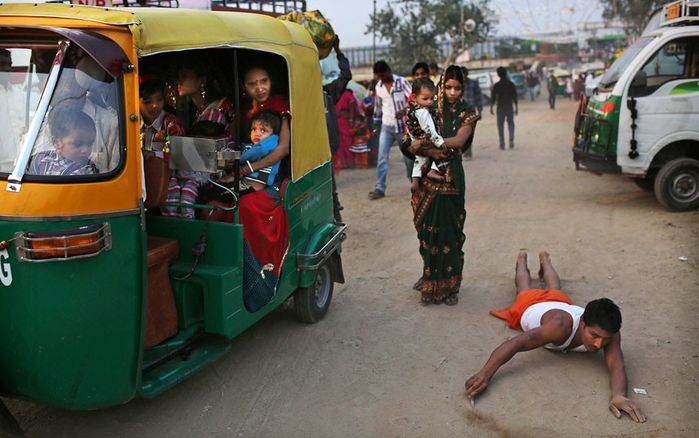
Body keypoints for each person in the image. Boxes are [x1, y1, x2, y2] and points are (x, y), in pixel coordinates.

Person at [465, 251, 647, 423]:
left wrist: (618, 394)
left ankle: (545, 260)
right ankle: (522, 260)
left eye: (605, 339)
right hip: (530, 305)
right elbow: (516, 343)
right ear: (582, 322)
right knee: (523, 288)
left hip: (561, 303)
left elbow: (617, 364)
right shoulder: (558, 329)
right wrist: (484, 374)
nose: (599, 344)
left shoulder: (610, 332)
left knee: (555, 288)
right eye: (594, 335)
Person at [400, 65, 481, 305]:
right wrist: (414, 145)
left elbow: (458, 141)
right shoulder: (427, 107)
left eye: (457, 87)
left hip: (452, 178)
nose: (453, 92)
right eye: (448, 87)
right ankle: (429, 275)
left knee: (450, 233)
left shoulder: (468, 112)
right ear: (440, 87)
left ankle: (450, 285)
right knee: (427, 231)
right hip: (426, 177)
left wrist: (423, 143)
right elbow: (406, 140)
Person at [368, 60, 412, 200]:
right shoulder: (379, 87)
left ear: (388, 71)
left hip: (402, 127)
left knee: (408, 158)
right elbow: (378, 107)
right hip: (387, 126)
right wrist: (375, 124)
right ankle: (380, 187)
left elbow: (414, 99)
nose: (380, 78)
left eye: (382, 75)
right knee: (382, 157)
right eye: (378, 76)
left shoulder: (402, 82)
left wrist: (405, 111)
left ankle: (414, 183)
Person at [27, 102, 98, 176]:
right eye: (77, 144)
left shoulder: (86, 170)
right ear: (57, 143)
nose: (85, 150)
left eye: (90, 144)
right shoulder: (40, 159)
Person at [405, 77, 447, 192]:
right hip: (426, 140)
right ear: (414, 97)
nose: (429, 102)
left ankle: (414, 181)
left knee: (419, 160)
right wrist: (439, 142)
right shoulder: (424, 112)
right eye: (425, 99)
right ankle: (433, 170)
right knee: (446, 153)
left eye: (431, 98)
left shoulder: (411, 109)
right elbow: (429, 130)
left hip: (415, 139)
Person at [139, 74, 186, 160]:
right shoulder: (132, 124)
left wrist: (152, 155)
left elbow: (178, 156)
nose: (155, 105)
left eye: (159, 99)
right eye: (148, 102)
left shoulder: (171, 123)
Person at [240, 109, 282, 193]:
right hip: (243, 183)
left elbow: (261, 149)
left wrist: (238, 160)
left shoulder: (272, 144)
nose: (257, 133)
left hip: (254, 186)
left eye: (263, 130)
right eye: (254, 129)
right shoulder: (247, 146)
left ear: (273, 135)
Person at [490, 66, 518, 150]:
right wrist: (516, 107)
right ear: (506, 73)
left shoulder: (497, 85)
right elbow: (515, 97)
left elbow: (493, 97)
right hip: (509, 106)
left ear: (498, 74)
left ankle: (502, 143)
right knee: (511, 124)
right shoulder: (511, 84)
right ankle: (511, 139)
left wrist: (491, 107)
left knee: (500, 126)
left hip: (500, 107)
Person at [333, 89, 358, 171]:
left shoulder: (347, 95)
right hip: (338, 121)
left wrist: (351, 120)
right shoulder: (335, 94)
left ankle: (349, 162)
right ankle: (342, 163)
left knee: (347, 141)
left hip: (345, 120)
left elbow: (352, 104)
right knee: (339, 142)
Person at [460, 66, 483, 160]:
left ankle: (468, 152)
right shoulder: (456, 86)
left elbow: (479, 98)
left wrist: (480, 110)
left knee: (469, 132)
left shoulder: (473, 84)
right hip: (458, 112)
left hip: (470, 111)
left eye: (463, 75)